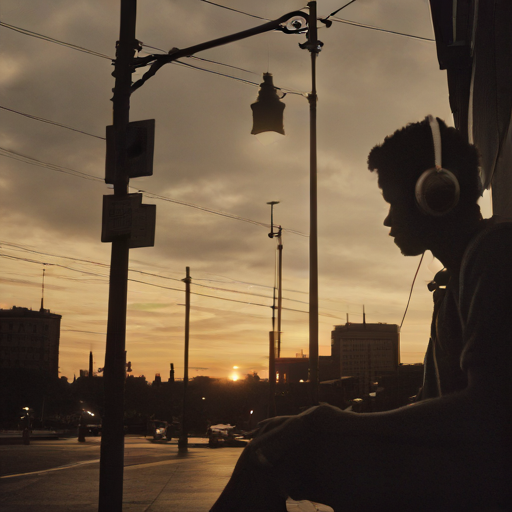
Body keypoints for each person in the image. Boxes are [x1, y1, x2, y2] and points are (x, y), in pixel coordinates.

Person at [210, 116, 512, 512]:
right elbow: (434, 409)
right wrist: (314, 421)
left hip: (484, 483)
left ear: (435, 194)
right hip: (461, 471)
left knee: (274, 454)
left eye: (391, 202)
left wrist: (331, 422)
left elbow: (487, 410)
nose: (387, 220)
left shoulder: (494, 255)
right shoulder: (453, 280)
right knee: (277, 438)